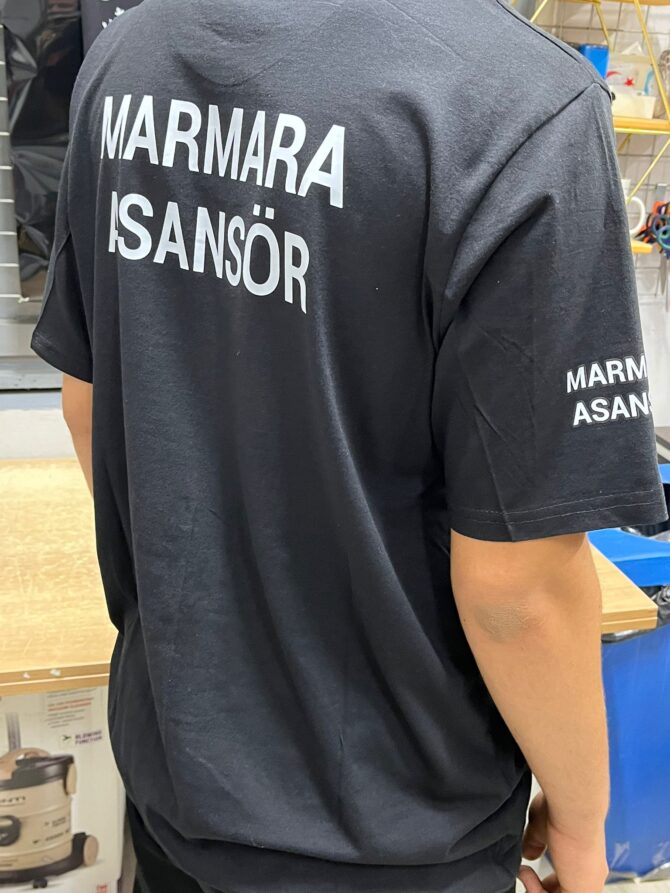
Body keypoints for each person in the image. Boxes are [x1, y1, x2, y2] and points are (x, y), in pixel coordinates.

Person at [31, 1, 667, 891]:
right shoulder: (519, 107)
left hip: (178, 781)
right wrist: (583, 822)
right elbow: (517, 589)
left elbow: (88, 407)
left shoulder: (128, 55)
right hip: (395, 828)